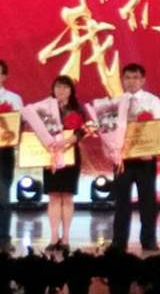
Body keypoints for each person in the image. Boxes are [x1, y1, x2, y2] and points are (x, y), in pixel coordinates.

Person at [110, 63, 160, 252]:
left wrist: (153, 149)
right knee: (121, 201)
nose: (131, 81)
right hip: (122, 160)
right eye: (127, 78)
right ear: (122, 80)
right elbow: (108, 129)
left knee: (148, 201)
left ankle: (149, 240)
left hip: (146, 159)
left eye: (135, 78)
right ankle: (119, 241)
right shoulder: (115, 102)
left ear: (143, 80)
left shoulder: (153, 101)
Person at [43, 75, 87, 252]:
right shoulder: (45, 108)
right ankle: (54, 237)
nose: (61, 90)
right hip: (50, 155)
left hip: (70, 154)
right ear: (53, 90)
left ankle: (66, 237)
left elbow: (81, 132)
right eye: (58, 87)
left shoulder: (77, 109)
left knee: (67, 196)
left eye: (65, 87)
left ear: (71, 90)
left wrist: (65, 142)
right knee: (53, 196)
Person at [0, 60, 22, 254]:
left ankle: (4, 239)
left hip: (4, 153)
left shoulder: (13, 99)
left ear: (4, 76)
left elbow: (19, 124)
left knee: (3, 197)